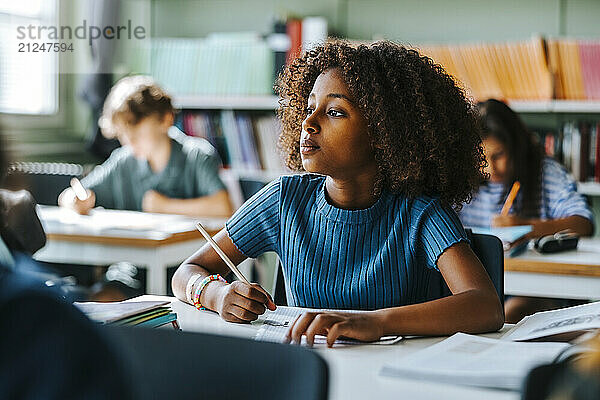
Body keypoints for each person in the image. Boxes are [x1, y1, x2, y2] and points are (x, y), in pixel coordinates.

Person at [172, 39, 504, 347]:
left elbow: (485, 306)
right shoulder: (283, 200)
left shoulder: (419, 212)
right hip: (309, 369)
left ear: (384, 133)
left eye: (334, 112)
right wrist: (216, 294)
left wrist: (375, 323)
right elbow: (186, 272)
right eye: (310, 107)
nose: (309, 123)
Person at [458, 99, 594, 323]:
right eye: (482, 158)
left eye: (499, 155)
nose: (490, 169)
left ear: (516, 147)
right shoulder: (465, 181)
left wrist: (527, 227)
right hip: (484, 283)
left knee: (509, 313)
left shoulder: (545, 171)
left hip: (542, 289)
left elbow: (583, 224)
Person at [59, 75, 233, 218]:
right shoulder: (123, 160)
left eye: (137, 135)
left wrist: (164, 206)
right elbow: (69, 195)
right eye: (122, 137)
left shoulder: (197, 156)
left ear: (166, 119)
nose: (129, 143)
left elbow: (223, 207)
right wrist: (75, 200)